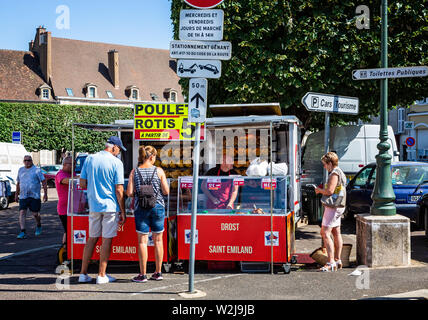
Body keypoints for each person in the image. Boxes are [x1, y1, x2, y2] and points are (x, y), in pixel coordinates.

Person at [78, 136, 127, 284]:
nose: (118, 153)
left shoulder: (90, 159)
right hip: (110, 207)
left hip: (93, 205)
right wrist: (123, 210)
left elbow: (82, 183)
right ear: (114, 147)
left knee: (92, 239)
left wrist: (95, 188)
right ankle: (101, 275)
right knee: (106, 240)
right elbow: (119, 190)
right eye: (118, 150)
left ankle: (83, 274)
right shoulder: (116, 163)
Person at [126, 146, 169, 283]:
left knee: (142, 242)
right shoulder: (159, 171)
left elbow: (130, 193)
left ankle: (142, 274)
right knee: (158, 240)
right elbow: (166, 191)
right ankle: (158, 272)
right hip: (158, 207)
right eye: (155, 156)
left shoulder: (134, 172)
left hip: (141, 209)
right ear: (151, 157)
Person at [315, 152, 347, 272]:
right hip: (339, 205)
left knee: (325, 233)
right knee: (336, 232)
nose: (324, 167)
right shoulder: (340, 172)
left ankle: (330, 262)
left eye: (324, 164)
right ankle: (338, 260)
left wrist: (319, 190)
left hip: (333, 207)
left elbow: (329, 191)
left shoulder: (334, 173)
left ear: (329, 163)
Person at [15, 155, 48, 239]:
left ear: (31, 161)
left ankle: (38, 225)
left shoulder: (37, 170)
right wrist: (16, 194)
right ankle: (23, 231)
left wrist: (45, 193)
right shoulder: (20, 170)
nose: (27, 162)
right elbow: (18, 183)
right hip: (23, 196)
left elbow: (43, 181)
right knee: (22, 212)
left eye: (29, 160)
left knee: (35, 214)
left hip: (34, 196)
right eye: (25, 160)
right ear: (23, 161)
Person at [55, 156, 77, 246]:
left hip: (74, 208)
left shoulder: (72, 173)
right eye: (72, 164)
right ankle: (66, 251)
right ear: (64, 164)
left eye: (75, 164)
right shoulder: (60, 174)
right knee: (68, 231)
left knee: (68, 231)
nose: (74, 166)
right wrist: (80, 178)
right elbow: (65, 181)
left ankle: (66, 249)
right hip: (65, 209)